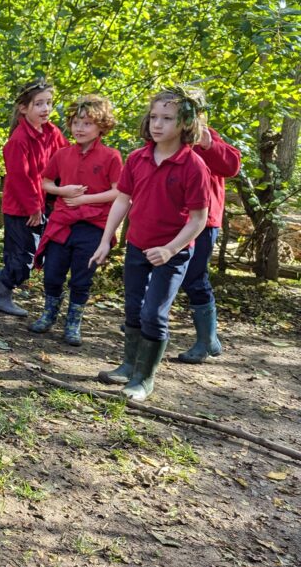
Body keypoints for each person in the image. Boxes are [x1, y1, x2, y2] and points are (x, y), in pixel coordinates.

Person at [90, 86, 210, 401]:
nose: (158, 124)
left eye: (167, 118)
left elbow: (198, 219)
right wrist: (106, 240)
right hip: (137, 246)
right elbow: (122, 200)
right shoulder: (138, 157)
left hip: (172, 253)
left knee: (153, 314)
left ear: (185, 123)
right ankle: (129, 366)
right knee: (132, 308)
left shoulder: (194, 166)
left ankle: (144, 379)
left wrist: (171, 249)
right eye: (154, 116)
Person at [29, 95, 122, 345]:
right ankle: (49, 315)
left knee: (82, 277)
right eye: (76, 122)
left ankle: (73, 323)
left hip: (93, 226)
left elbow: (119, 191)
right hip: (62, 222)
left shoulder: (111, 156)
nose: (80, 128)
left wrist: (84, 200)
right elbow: (45, 181)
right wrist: (63, 191)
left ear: (102, 126)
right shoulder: (62, 154)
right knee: (52, 273)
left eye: (87, 123)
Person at [0, 78, 67, 316]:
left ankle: (4, 275)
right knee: (24, 257)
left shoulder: (52, 132)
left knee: (29, 253)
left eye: (49, 103)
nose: (46, 109)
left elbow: (64, 158)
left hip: (43, 204)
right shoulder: (18, 141)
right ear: (24, 108)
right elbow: (21, 178)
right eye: (39, 104)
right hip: (22, 209)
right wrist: (34, 208)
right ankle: (2, 293)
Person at [175, 122, 241, 363]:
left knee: (194, 277)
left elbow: (231, 166)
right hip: (170, 219)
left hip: (203, 221)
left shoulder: (207, 135)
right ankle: (143, 324)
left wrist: (208, 143)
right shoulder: (163, 135)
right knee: (155, 269)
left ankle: (207, 340)